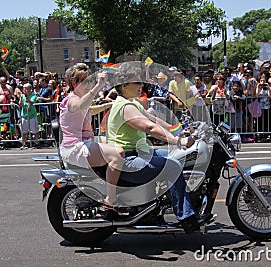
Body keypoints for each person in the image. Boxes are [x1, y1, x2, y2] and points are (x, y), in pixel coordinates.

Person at [106, 63, 203, 233]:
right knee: (172, 166)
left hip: (140, 152)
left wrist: (180, 130)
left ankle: (157, 202)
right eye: (136, 82)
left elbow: (155, 120)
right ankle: (186, 217)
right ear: (124, 86)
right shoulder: (125, 106)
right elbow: (149, 127)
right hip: (128, 158)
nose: (141, 86)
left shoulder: (132, 103)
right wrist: (176, 140)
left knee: (177, 155)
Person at [59, 63, 124, 210]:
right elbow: (80, 106)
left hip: (83, 143)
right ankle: (110, 199)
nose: (89, 84)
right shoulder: (71, 99)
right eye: (86, 81)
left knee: (121, 143)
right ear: (75, 83)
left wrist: (109, 105)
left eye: (91, 80)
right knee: (117, 154)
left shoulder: (80, 99)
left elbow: (88, 110)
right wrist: (99, 85)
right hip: (75, 147)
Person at [18, 83, 40, 149]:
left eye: (25, 89)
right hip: (24, 115)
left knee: (35, 130)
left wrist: (27, 97)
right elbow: (20, 104)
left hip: (31, 115)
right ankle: (24, 144)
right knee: (24, 131)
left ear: (29, 89)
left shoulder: (33, 95)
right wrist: (21, 98)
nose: (24, 90)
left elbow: (31, 103)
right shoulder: (22, 96)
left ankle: (37, 143)